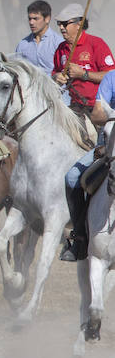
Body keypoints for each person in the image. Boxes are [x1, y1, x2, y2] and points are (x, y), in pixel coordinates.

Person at [61, 47, 115, 262]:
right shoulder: (111, 78)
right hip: (109, 145)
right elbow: (97, 113)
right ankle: (81, 239)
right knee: (72, 178)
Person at [53, 1, 114, 121]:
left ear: (79, 24)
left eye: (65, 24)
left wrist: (84, 74)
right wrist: (56, 77)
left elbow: (111, 75)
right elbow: (54, 73)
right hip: (76, 108)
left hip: (99, 108)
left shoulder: (96, 44)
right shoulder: (61, 49)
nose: (61, 27)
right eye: (59, 24)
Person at [14, 0, 63, 70]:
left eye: (35, 19)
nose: (31, 22)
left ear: (47, 19)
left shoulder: (58, 43)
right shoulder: (22, 44)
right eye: (29, 19)